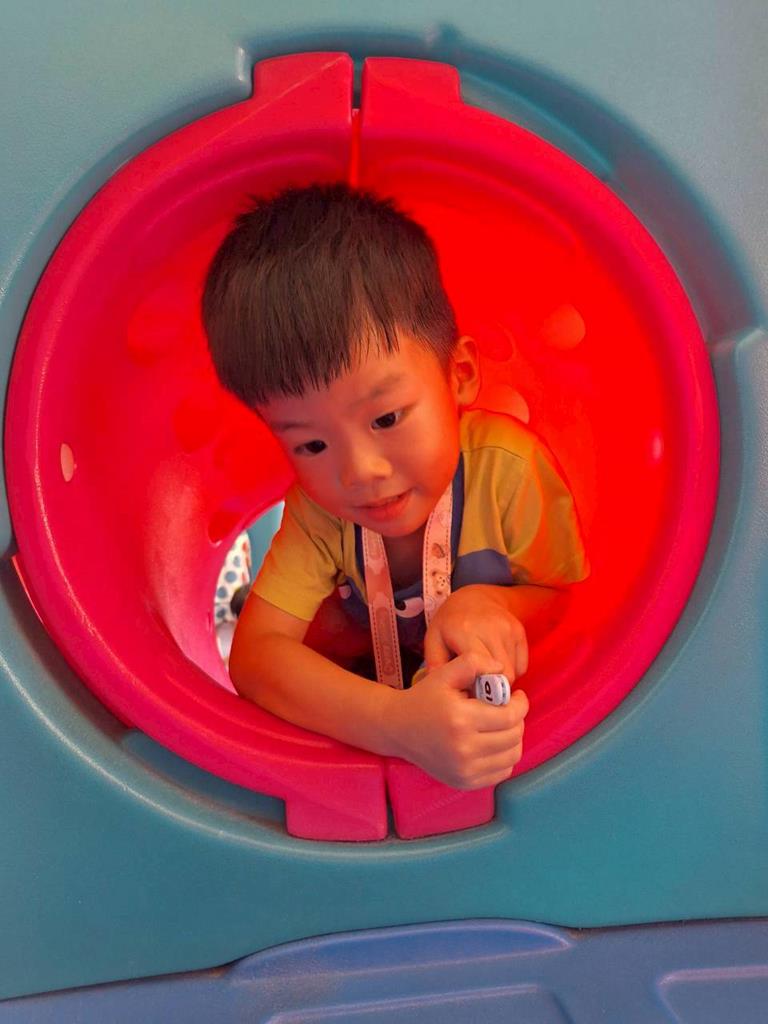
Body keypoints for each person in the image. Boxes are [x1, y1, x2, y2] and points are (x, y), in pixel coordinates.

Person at [202, 183, 588, 790]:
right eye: (311, 445)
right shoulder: (319, 511)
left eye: (385, 418)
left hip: (518, 718)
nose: (359, 472)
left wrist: (493, 604)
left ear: (459, 375)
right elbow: (254, 658)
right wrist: (395, 724)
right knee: (320, 634)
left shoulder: (508, 469)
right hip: (378, 680)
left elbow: (564, 599)